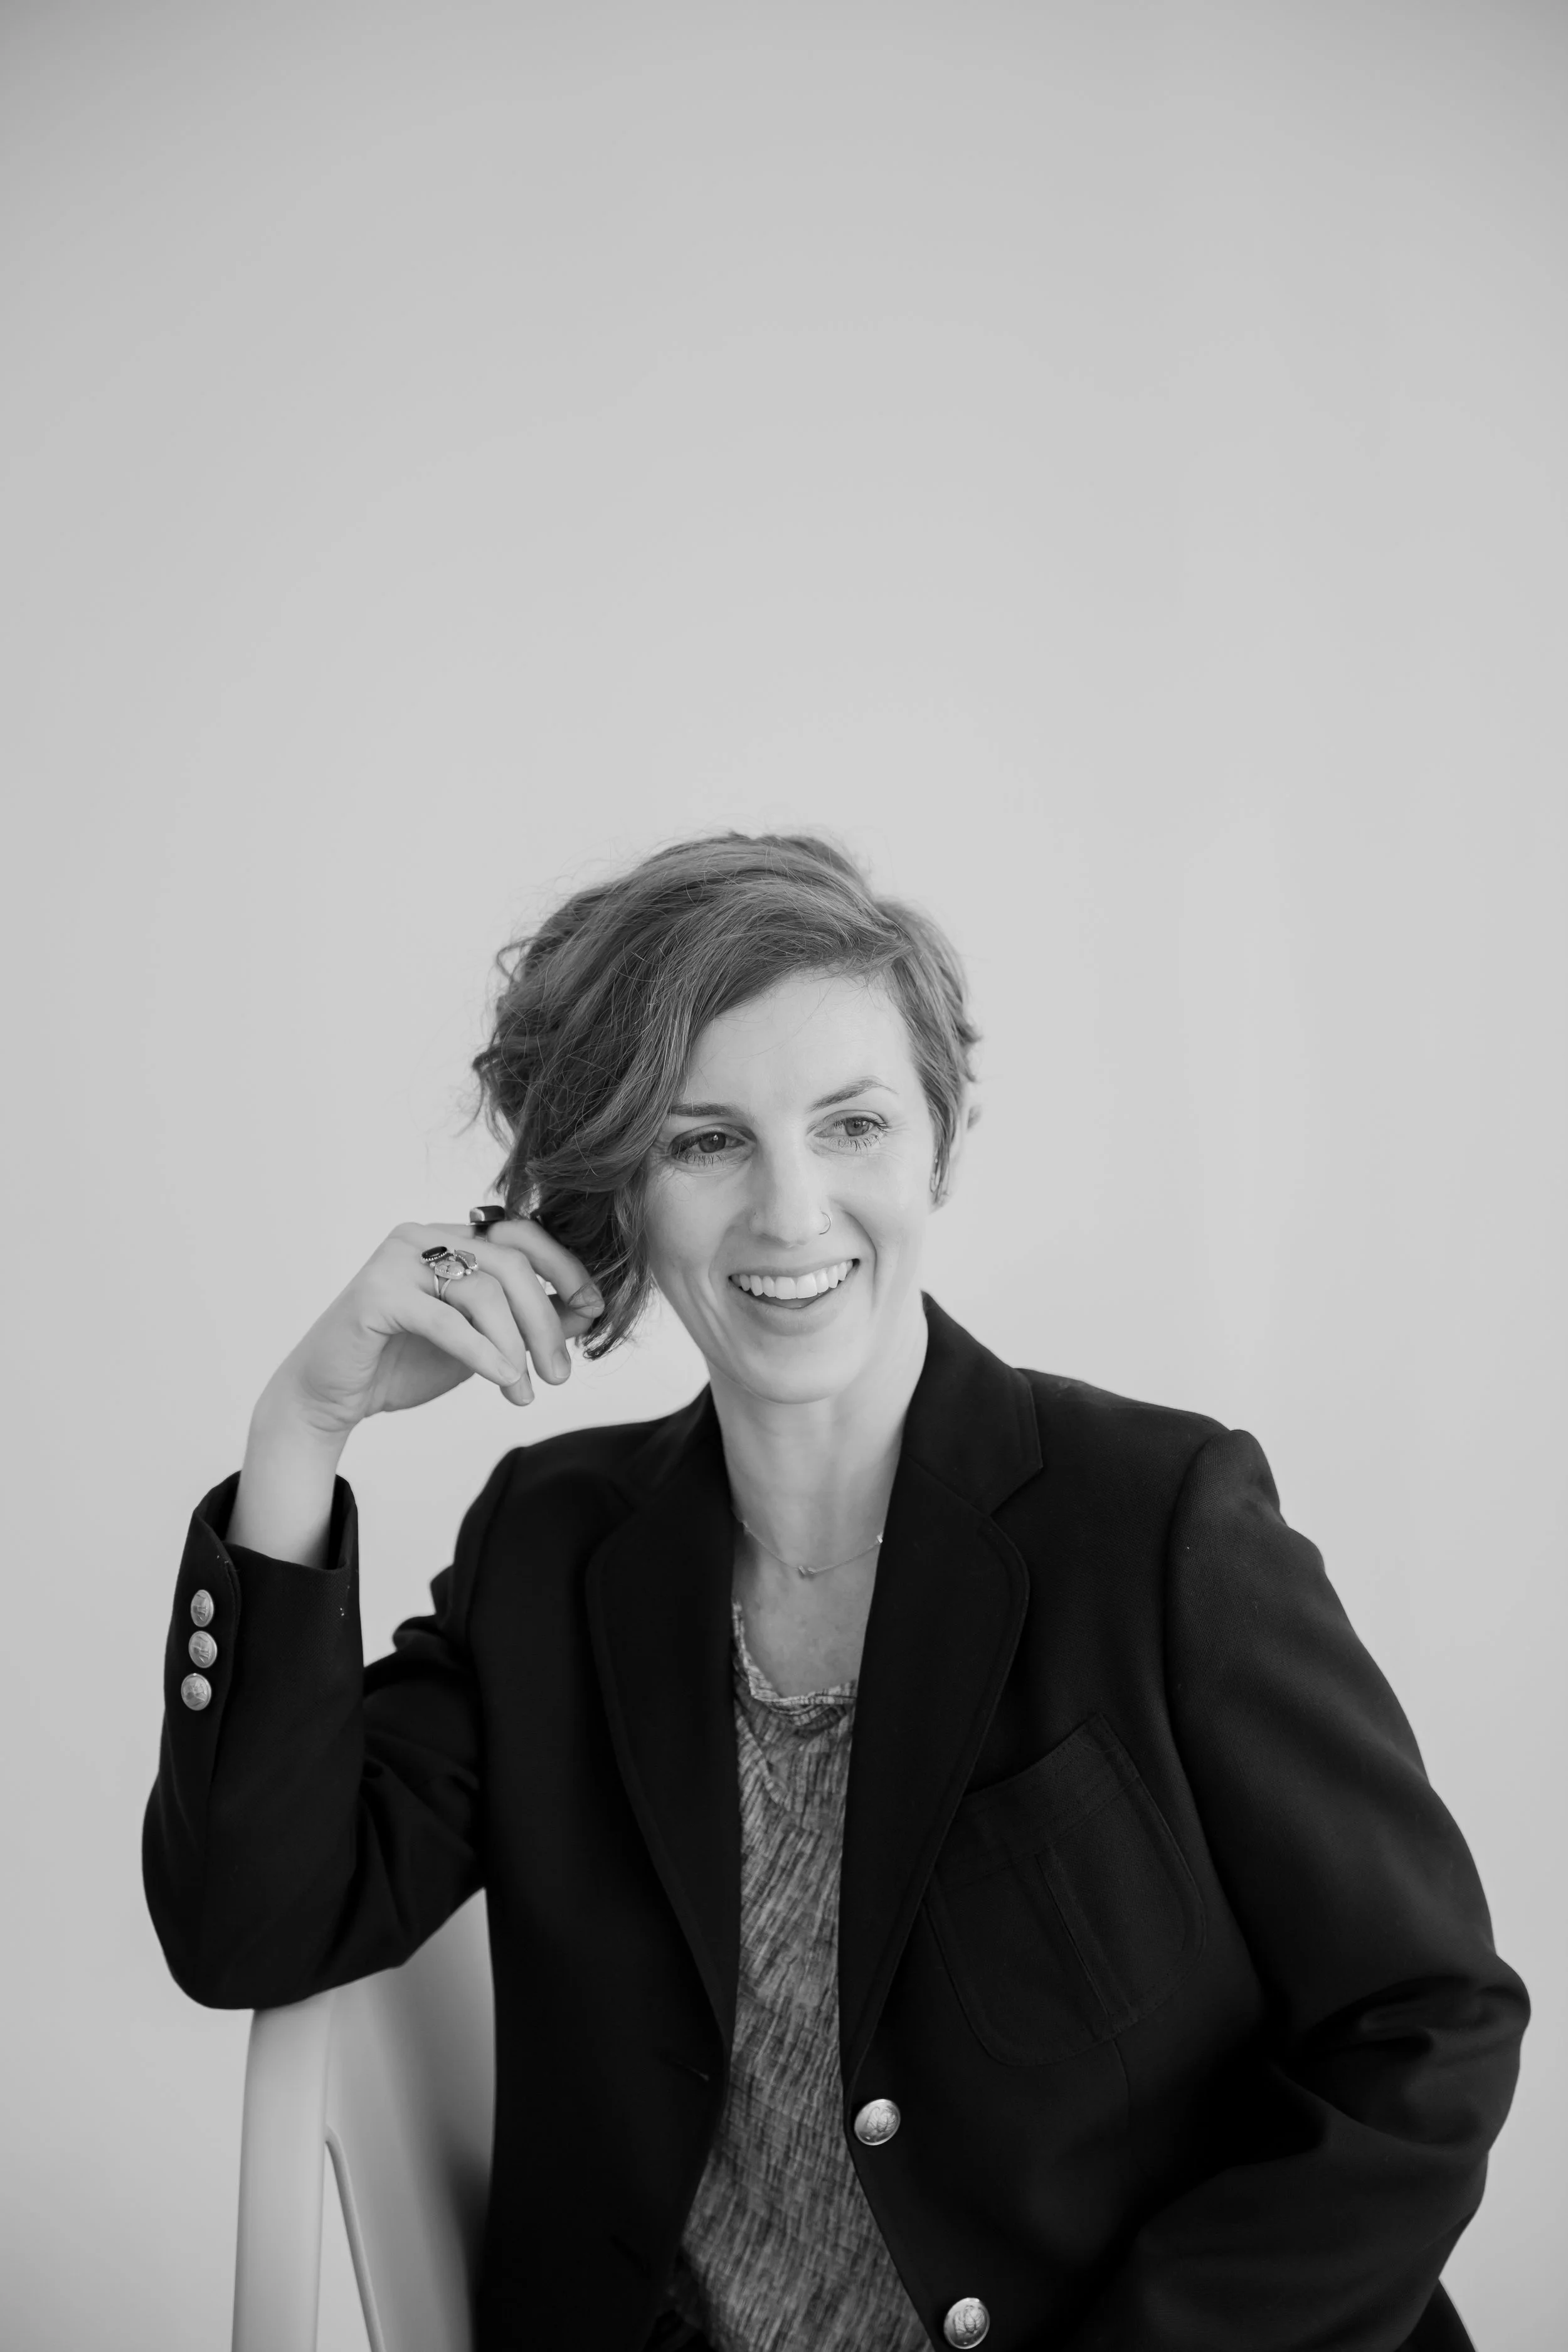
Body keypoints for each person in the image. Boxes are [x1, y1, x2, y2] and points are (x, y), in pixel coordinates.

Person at [144, 830, 1526, 2352]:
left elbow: (1423, 2028)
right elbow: (253, 1930)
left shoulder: (1156, 1521)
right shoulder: (550, 1548)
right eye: (704, 1142)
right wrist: (304, 1429)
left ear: (939, 1144)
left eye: (851, 1125)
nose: (792, 1212)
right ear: (615, 1194)